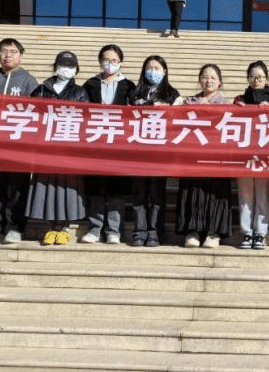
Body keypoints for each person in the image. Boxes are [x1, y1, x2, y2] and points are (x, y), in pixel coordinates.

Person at [0, 38, 38, 244]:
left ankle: (15, 228)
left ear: (21, 56)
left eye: (13, 51)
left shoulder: (29, 81)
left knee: (17, 188)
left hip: (18, 145)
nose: (8, 55)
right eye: (4, 51)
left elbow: (36, 112)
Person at [26, 51, 88, 246]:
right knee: (47, 188)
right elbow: (31, 113)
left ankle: (65, 228)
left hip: (68, 149)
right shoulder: (41, 89)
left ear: (76, 69)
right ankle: (50, 228)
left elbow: (85, 118)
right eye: (62, 64)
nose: (66, 69)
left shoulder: (80, 92)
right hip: (45, 148)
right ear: (55, 66)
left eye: (70, 66)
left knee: (66, 189)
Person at [81, 44, 135, 244]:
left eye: (114, 60)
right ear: (100, 61)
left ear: (120, 62)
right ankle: (95, 228)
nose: (110, 64)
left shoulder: (129, 86)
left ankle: (114, 230)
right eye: (106, 60)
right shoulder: (90, 84)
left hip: (119, 144)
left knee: (116, 189)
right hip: (95, 142)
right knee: (96, 188)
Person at [178, 64, 232, 249]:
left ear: (220, 82)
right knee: (193, 191)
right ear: (199, 80)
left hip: (216, 157)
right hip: (193, 156)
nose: (209, 81)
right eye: (205, 77)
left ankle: (213, 233)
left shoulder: (227, 105)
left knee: (215, 193)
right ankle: (192, 231)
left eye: (213, 78)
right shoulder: (189, 102)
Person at [130, 55, 182, 246]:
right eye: (149, 68)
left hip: (160, 152)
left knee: (157, 193)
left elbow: (177, 119)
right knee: (139, 193)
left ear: (164, 71)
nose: (153, 71)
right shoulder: (135, 92)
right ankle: (139, 231)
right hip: (138, 150)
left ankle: (154, 232)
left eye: (157, 68)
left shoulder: (172, 94)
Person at [233, 60, 269, 250]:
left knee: (263, 195)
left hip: (265, 155)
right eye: (252, 76)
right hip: (244, 155)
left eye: (260, 77)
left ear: (266, 79)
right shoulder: (239, 99)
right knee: (245, 195)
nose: (256, 80)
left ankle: (260, 233)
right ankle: (247, 232)